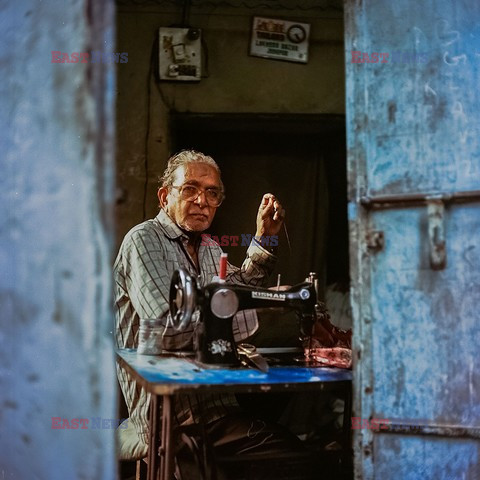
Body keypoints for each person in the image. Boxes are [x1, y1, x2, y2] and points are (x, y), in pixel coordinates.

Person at [114, 150, 310, 479]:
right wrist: (241, 316)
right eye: (190, 188)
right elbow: (167, 327)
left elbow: (239, 288)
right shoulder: (143, 241)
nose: (202, 201)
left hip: (217, 411)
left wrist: (263, 238)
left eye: (212, 192)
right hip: (168, 416)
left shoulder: (208, 248)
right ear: (165, 196)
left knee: (290, 456)